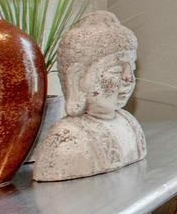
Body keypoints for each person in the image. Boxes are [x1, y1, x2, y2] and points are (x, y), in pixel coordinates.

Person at [31, 11, 146, 182]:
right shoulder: (66, 141)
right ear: (78, 79)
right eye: (116, 70)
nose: (129, 78)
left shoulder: (130, 124)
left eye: (132, 68)